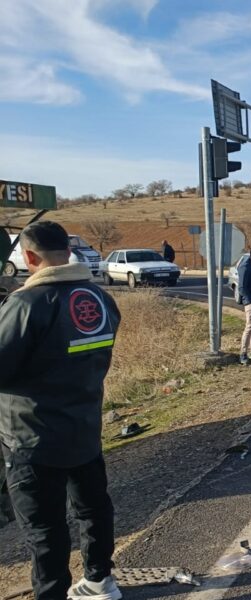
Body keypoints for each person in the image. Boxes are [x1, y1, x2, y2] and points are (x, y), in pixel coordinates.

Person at [0, 221, 122, 600]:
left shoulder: (26, 304)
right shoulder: (100, 299)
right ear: (68, 253)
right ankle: (100, 580)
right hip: (84, 428)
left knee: (45, 529)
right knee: (93, 509)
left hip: (31, 437)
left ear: (29, 256)